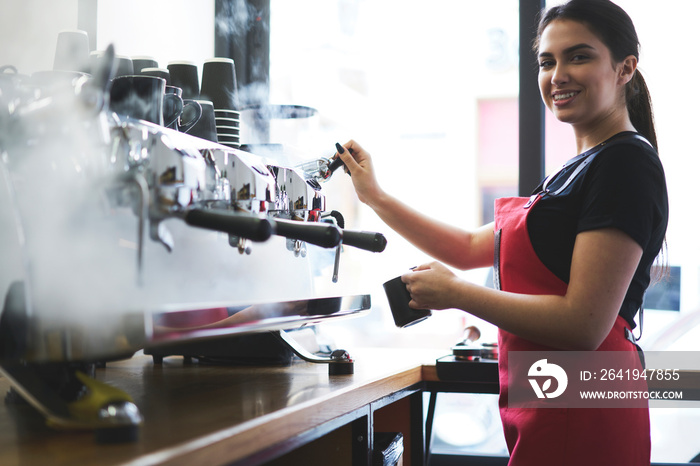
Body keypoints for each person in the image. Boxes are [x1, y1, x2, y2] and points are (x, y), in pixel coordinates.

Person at [334, 0, 668, 464]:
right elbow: (471, 247)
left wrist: (457, 294)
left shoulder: (625, 164)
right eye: (547, 61)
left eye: (579, 56)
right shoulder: (579, 169)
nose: (558, 75)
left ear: (625, 68)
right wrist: (374, 196)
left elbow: (583, 325)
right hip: (553, 392)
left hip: (586, 401)